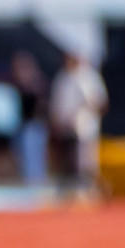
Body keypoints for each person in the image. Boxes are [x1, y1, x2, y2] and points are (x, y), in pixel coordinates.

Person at [49, 53, 108, 193]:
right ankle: (70, 190)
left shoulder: (88, 77)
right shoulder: (63, 77)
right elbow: (57, 104)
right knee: (67, 162)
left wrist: (84, 114)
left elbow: (99, 102)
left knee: (86, 162)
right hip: (66, 128)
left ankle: (93, 190)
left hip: (85, 128)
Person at [12, 51, 50, 185]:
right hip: (22, 125)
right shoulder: (18, 84)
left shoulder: (36, 83)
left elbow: (41, 105)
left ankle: (36, 182)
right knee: (23, 156)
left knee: (34, 156)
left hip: (34, 126)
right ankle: (28, 181)